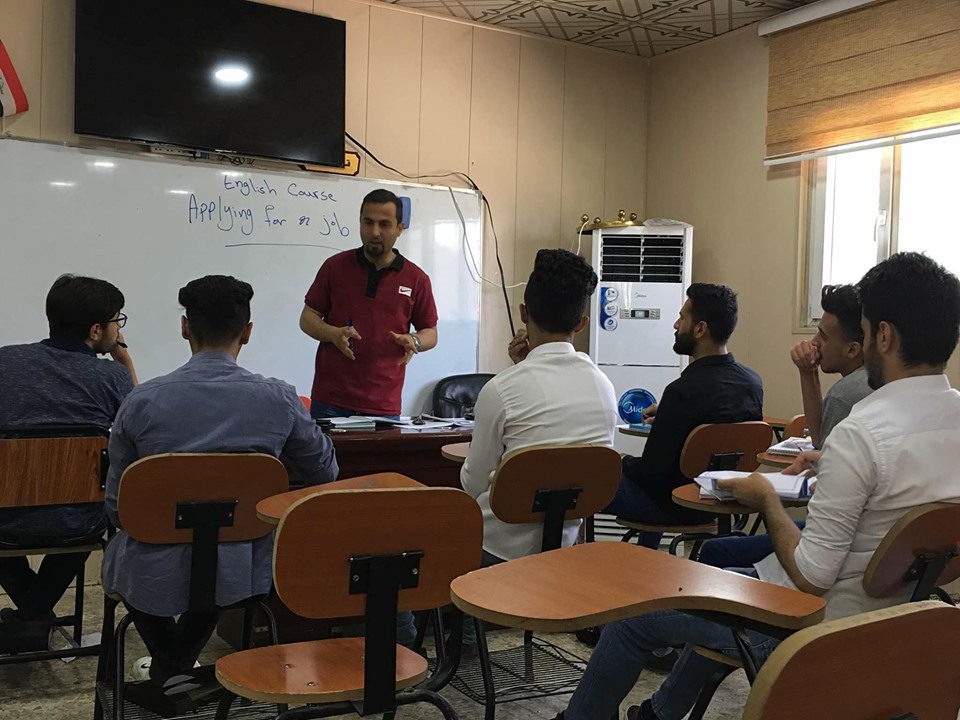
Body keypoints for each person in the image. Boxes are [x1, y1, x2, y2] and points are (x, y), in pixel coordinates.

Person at [555, 252, 960, 720]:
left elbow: (811, 575)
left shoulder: (863, 433)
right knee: (708, 582)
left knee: (632, 614)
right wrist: (831, 464)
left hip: (811, 627)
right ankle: (660, 714)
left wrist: (767, 498)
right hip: (900, 622)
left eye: (866, 332)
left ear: (883, 336)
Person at [102, 275, 338, 686]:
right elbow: (326, 474)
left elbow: (118, 506)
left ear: (185, 327)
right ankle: (178, 674)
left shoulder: (141, 400)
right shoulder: (279, 398)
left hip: (154, 568)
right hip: (244, 567)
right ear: (247, 332)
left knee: (129, 556)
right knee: (219, 552)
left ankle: (172, 673)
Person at [0, 274, 137, 652]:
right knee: (90, 509)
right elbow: (140, 428)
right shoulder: (110, 376)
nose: (119, 329)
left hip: (3, 519)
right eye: (116, 320)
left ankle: (31, 616)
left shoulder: (4, 361)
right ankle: (35, 615)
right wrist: (125, 361)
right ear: (96, 331)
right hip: (79, 522)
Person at [698, 283, 872, 570]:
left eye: (823, 335)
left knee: (716, 553)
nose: (814, 342)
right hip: (858, 542)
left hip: (833, 549)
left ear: (852, 349)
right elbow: (822, 440)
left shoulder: (846, 394)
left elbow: (821, 446)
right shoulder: (869, 383)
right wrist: (808, 372)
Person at [461, 248, 618, 564]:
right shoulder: (604, 387)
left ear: (523, 312)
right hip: (563, 552)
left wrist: (518, 371)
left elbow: (472, 485)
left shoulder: (500, 390)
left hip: (494, 553)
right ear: (582, 323)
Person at [603, 283, 763, 548]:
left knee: (587, 476)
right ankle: (648, 557)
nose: (676, 325)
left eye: (682, 318)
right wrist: (669, 417)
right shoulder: (752, 383)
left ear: (700, 329)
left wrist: (619, 459)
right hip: (721, 503)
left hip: (674, 504)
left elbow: (651, 474)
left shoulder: (682, 391)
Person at [299, 188, 438, 419]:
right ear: (360, 222)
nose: (374, 232)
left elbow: (430, 333)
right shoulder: (335, 267)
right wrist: (333, 333)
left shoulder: (417, 279)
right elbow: (307, 318)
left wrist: (414, 340)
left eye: (384, 224)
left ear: (399, 228)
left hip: (383, 404)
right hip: (330, 400)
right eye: (368, 222)